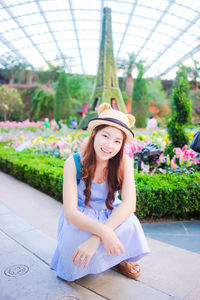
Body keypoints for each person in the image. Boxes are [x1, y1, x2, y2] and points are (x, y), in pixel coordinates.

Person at [50, 103, 150, 282]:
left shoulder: (124, 162)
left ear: (122, 144)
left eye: (117, 141)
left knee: (131, 225)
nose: (109, 145)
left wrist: (98, 237)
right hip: (82, 217)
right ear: (94, 133)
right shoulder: (73, 163)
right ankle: (116, 258)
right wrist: (105, 234)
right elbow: (70, 213)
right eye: (105, 136)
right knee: (76, 239)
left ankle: (118, 261)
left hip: (110, 214)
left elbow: (129, 204)